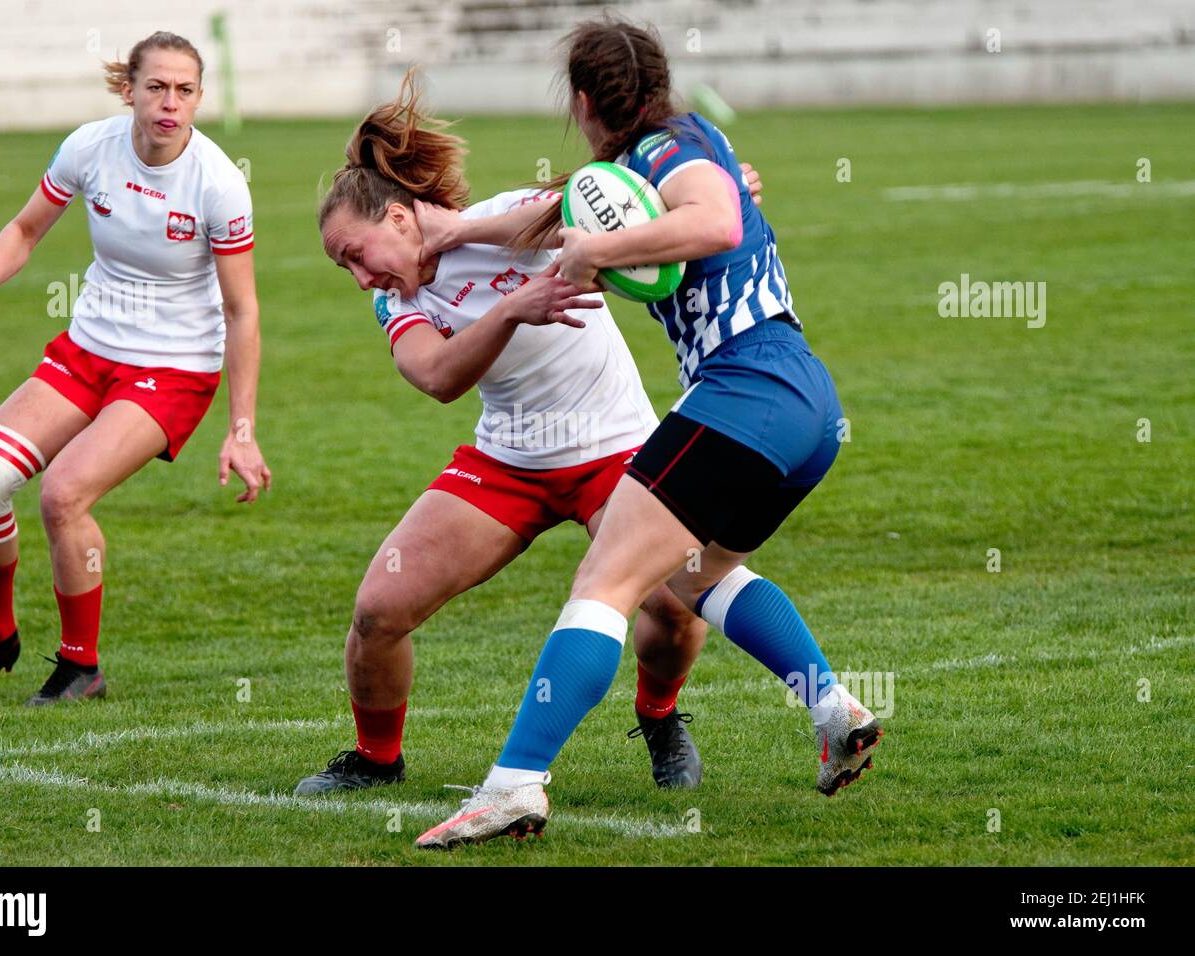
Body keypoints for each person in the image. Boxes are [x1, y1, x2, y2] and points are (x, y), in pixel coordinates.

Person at [416, 17, 883, 849]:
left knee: (604, 584)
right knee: (699, 578)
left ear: (585, 100)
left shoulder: (665, 154)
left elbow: (714, 225)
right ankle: (833, 708)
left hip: (745, 390)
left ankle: (514, 785)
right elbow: (562, 211)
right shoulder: (663, 153)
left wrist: (594, 252)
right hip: (807, 405)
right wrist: (455, 231)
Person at [295, 70, 770, 794]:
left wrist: (712, 196)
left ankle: (660, 717)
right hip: (508, 463)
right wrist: (516, 308)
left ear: (398, 220)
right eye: (343, 269)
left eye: (356, 255)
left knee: (676, 608)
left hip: (616, 453)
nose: (360, 277)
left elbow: (626, 199)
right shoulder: (400, 300)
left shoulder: (514, 216)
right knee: (378, 610)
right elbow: (437, 377)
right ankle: (376, 760)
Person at [0, 31, 270, 706]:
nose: (171, 103)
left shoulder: (219, 183)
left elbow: (242, 312)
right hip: (88, 352)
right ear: (129, 89)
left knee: (63, 494)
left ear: (200, 97)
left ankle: (82, 667)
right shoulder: (90, 147)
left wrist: (242, 428)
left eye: (186, 90)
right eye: (157, 87)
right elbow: (24, 229)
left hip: (172, 370)